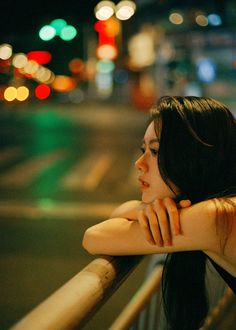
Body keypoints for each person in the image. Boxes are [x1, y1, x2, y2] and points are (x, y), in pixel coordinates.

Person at [83, 96, 236, 330]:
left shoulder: (215, 217)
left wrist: (138, 209)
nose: (139, 163)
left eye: (155, 151)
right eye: (143, 149)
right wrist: (141, 208)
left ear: (194, 158)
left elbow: (94, 238)